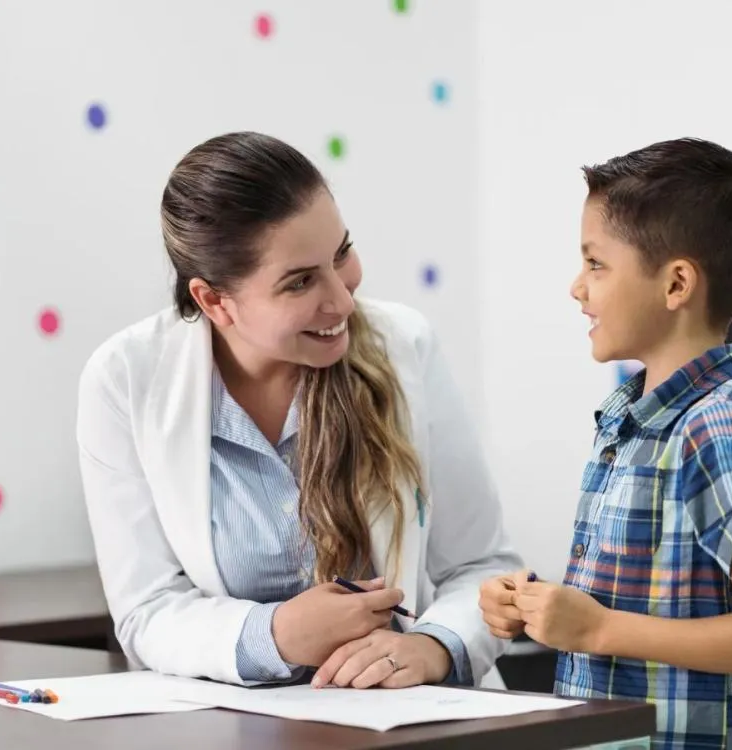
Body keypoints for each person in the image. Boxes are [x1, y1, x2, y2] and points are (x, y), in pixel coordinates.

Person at [76, 131, 521, 689]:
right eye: (301, 281)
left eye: (341, 254)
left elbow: (484, 569)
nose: (342, 299)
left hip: (409, 718)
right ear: (213, 301)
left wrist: (434, 647)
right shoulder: (124, 379)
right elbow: (146, 609)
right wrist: (277, 634)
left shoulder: (405, 344)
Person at [479, 138, 732, 748]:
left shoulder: (715, 431)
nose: (577, 288)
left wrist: (599, 629)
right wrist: (535, 610)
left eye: (596, 264)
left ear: (676, 283)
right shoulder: (631, 424)